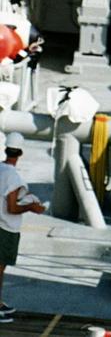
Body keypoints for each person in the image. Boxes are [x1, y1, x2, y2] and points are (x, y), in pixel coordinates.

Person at [0, 132, 45, 323]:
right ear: (20, 153)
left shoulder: (1, 170)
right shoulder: (12, 177)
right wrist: (31, 207)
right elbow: (12, 208)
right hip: (5, 229)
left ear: (6, 150)